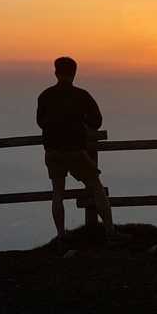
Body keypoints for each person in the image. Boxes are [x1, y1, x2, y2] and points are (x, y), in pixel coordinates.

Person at [37, 56, 115, 241]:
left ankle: (61, 236)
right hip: (75, 150)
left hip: (53, 151)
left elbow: (40, 121)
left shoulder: (45, 95)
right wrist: (82, 125)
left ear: (56, 73)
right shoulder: (81, 95)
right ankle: (110, 232)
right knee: (96, 186)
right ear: (74, 73)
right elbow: (97, 121)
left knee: (58, 193)